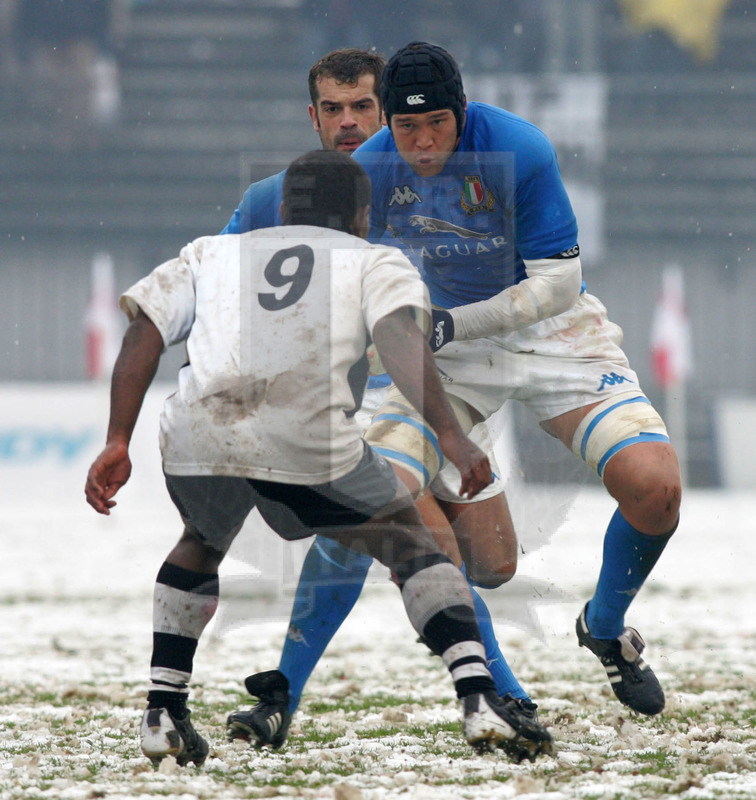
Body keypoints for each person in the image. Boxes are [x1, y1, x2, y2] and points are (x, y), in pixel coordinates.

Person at [84, 150, 554, 766]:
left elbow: (144, 329)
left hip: (200, 430)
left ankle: (163, 709)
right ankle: (479, 697)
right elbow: (398, 339)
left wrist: (118, 438)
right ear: (363, 216)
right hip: (304, 436)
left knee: (200, 539)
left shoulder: (208, 252)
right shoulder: (375, 260)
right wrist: (452, 433)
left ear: (282, 209)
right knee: (410, 545)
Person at [348, 41, 681, 719]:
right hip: (442, 347)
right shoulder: (368, 171)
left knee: (656, 489)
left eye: (435, 123)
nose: (421, 141)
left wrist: (452, 325)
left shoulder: (520, 150)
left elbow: (556, 284)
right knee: (399, 501)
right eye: (405, 127)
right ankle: (498, 686)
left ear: (462, 111)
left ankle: (607, 631)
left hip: (546, 330)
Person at [220, 48, 538, 742]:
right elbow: (220, 298)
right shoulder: (274, 199)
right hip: (359, 410)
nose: (348, 123)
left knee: (493, 562)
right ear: (313, 117)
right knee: (405, 534)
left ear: (390, 116)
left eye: (364, 107)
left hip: (445, 396)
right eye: (332, 109)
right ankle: (497, 696)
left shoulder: (434, 182)